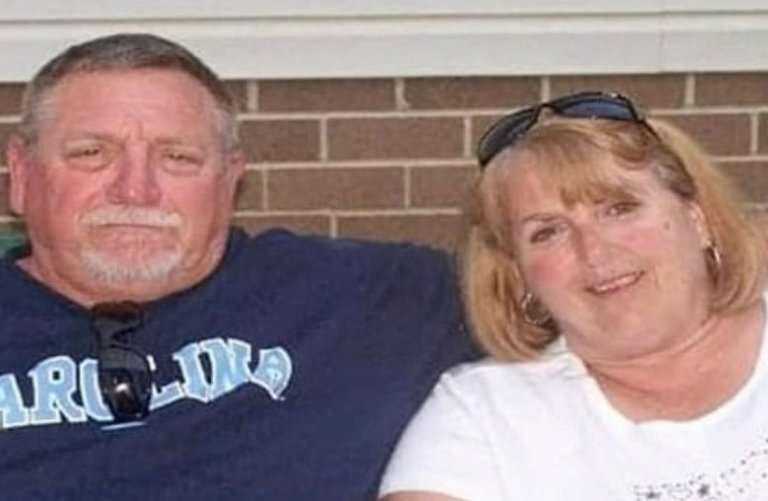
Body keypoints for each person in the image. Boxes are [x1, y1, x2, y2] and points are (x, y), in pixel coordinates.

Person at [0, 33, 477, 500]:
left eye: (177, 158)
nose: (135, 190)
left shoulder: (368, 300)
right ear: (20, 173)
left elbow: (520, 290)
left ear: (230, 180)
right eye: (91, 154)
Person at [378, 91, 768, 500]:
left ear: (698, 219)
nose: (594, 251)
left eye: (619, 208)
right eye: (548, 232)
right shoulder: (483, 416)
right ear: (519, 273)